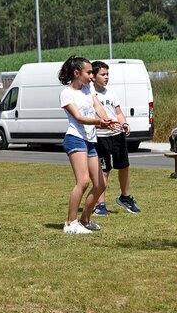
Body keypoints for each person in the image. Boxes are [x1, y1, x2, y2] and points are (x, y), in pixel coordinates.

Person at [58, 55, 119, 234]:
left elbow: (98, 107)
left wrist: (107, 119)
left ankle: (85, 220)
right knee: (83, 181)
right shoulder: (66, 94)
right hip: (75, 138)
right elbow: (78, 117)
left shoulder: (88, 88)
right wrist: (99, 123)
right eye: (89, 72)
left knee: (100, 184)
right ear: (77, 73)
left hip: (90, 140)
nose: (92, 76)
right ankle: (70, 223)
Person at [90, 61, 141, 216]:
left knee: (124, 166)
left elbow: (118, 112)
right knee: (104, 171)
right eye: (102, 74)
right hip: (100, 137)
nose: (106, 77)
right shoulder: (89, 94)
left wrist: (124, 123)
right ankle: (100, 205)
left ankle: (125, 198)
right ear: (93, 76)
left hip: (117, 135)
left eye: (107, 74)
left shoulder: (111, 93)